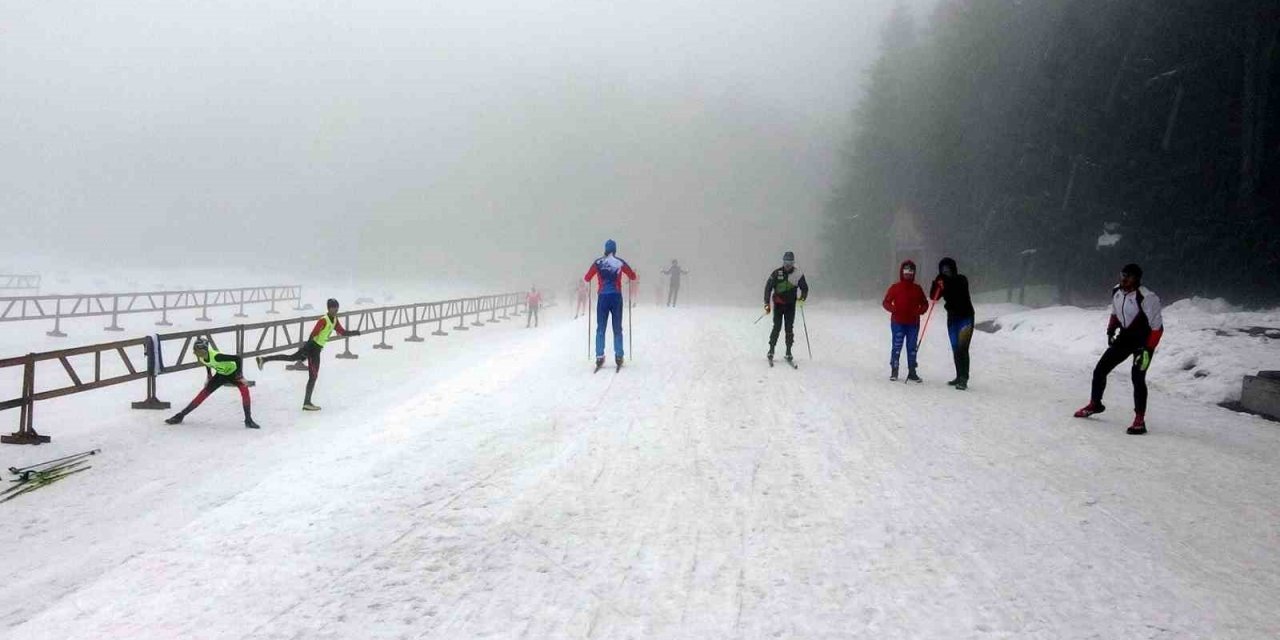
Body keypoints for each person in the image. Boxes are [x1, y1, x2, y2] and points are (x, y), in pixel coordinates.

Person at [1074, 263, 1164, 435]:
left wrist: (1147, 350)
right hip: (1125, 338)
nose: (1124, 279)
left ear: (1137, 278)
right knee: (1100, 369)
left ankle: (1139, 420)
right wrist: (1111, 329)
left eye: (1128, 276)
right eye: (1122, 275)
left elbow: (1157, 328)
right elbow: (1115, 313)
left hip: (1144, 343)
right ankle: (1095, 404)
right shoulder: (1116, 291)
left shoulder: (1147, 297)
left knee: (1137, 378)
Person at [257, 298, 360, 411]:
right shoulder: (323, 320)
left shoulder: (334, 320)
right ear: (329, 308)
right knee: (312, 376)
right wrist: (306, 350)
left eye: (337, 308)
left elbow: (342, 332)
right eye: (334, 308)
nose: (336, 310)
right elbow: (313, 334)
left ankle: (264, 359)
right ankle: (307, 403)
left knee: (292, 359)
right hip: (312, 348)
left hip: (316, 349)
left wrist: (356, 332)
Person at [165, 337, 259, 429]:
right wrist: (209, 376)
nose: (195, 353)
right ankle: (180, 416)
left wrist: (240, 376)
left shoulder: (217, 357)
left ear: (204, 350)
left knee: (245, 392)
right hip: (221, 375)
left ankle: (248, 420)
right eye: (195, 350)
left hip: (233, 374)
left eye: (197, 351)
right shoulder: (202, 357)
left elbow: (237, 359)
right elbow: (208, 364)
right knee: (202, 395)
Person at [584, 239, 638, 369]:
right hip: (616, 297)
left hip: (603, 297)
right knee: (617, 328)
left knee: (601, 328)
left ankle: (599, 356)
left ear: (605, 249)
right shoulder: (619, 262)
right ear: (615, 249)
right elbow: (632, 276)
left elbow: (587, 277)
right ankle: (619, 356)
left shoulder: (598, 263)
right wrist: (632, 275)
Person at [929, 257, 975, 390]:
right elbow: (934, 297)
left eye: (948, 269)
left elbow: (958, 291)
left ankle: (964, 378)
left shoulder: (961, 279)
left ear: (953, 269)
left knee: (963, 348)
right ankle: (958, 375)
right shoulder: (942, 282)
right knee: (955, 348)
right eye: (943, 270)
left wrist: (944, 283)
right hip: (952, 318)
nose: (946, 271)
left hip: (966, 317)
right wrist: (936, 284)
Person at [882, 260, 929, 382]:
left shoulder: (917, 289)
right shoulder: (895, 287)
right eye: (906, 272)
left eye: (910, 272)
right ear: (902, 272)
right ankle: (894, 370)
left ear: (913, 274)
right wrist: (894, 309)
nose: (908, 274)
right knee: (897, 346)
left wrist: (920, 311)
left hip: (913, 323)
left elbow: (925, 303)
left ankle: (912, 371)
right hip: (898, 322)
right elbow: (886, 302)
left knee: (912, 347)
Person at [763, 251, 809, 363]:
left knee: (789, 329)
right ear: (783, 262)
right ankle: (771, 350)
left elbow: (805, 288)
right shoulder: (776, 273)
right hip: (778, 305)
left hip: (790, 306)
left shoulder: (797, 274)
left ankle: (788, 352)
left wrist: (802, 299)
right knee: (777, 327)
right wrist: (767, 303)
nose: (788, 264)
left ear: (793, 262)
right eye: (786, 262)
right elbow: (768, 288)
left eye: (790, 262)